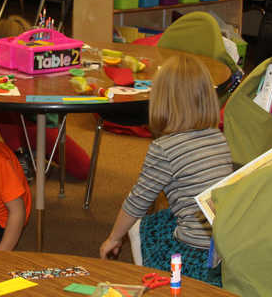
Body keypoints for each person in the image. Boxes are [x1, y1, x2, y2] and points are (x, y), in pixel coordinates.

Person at [99, 54, 232, 284]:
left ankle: (156, 277)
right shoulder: (219, 137)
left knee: (142, 228)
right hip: (224, 249)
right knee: (167, 216)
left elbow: (137, 202)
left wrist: (113, 238)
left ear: (161, 102)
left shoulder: (164, 148)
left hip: (195, 258)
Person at [0, 15, 92, 180]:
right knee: (2, 106)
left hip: (41, 123)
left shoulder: (42, 64)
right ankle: (19, 153)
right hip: (27, 124)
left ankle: (25, 151)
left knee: (83, 168)